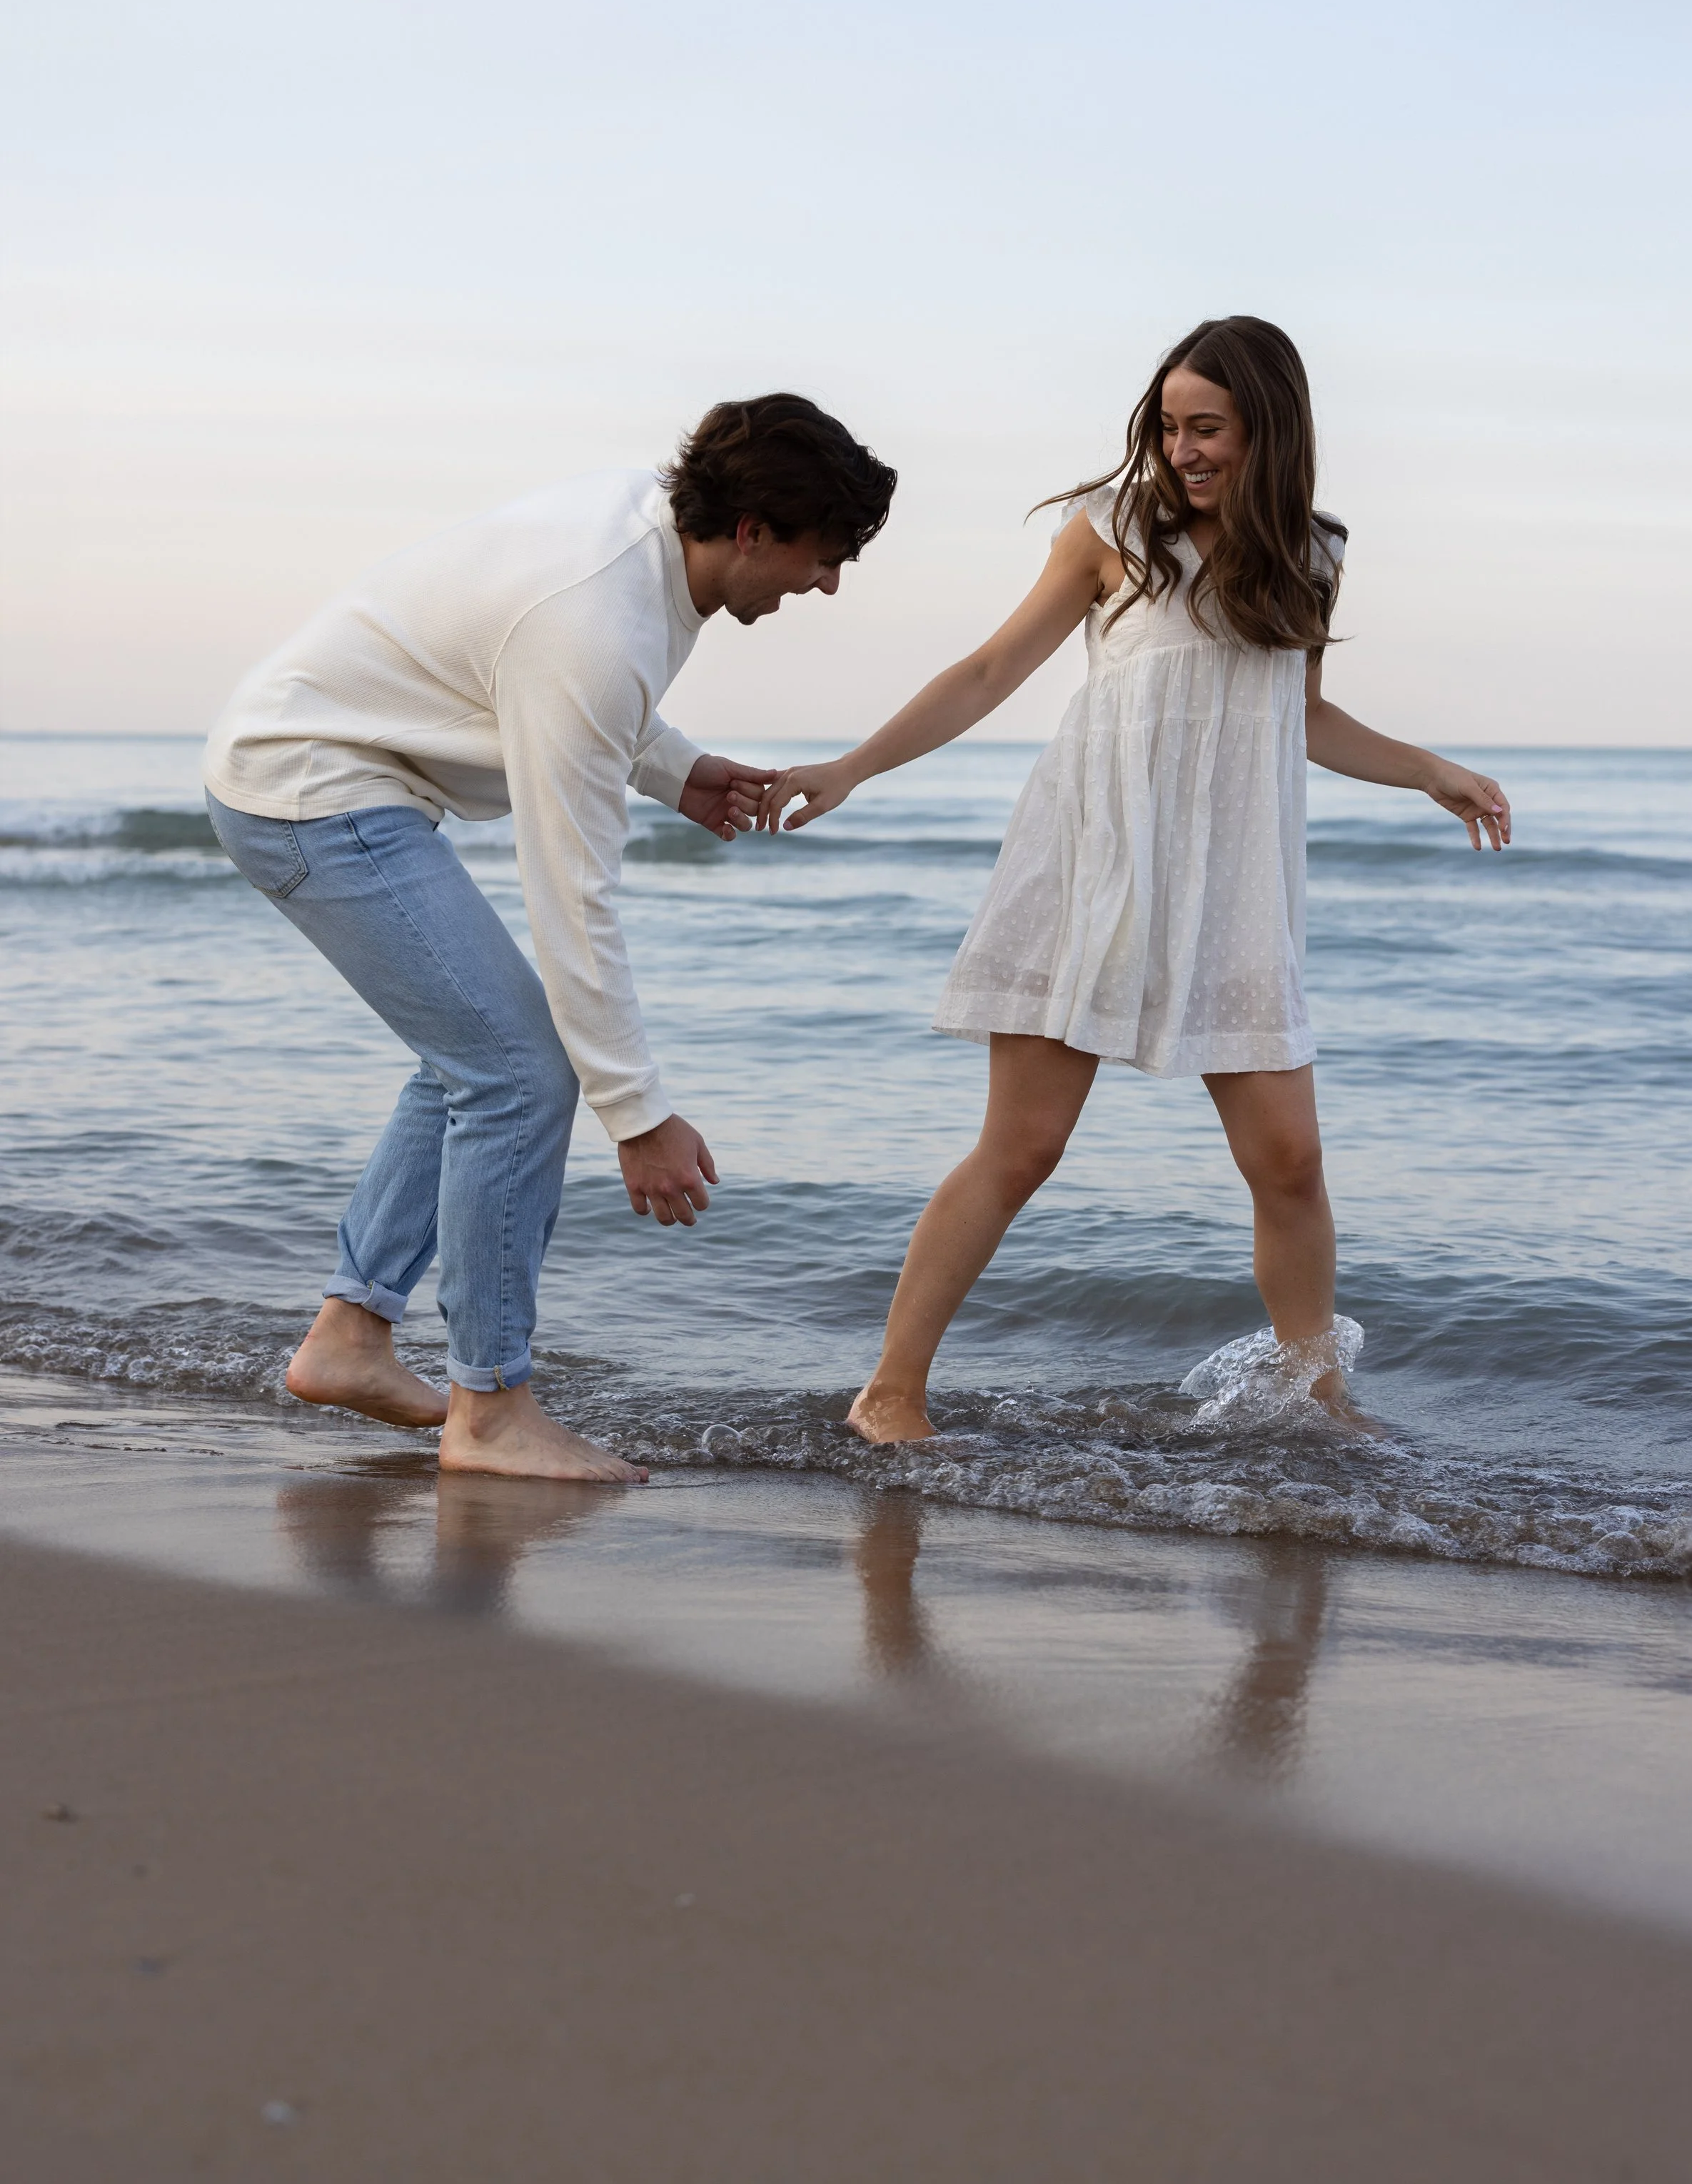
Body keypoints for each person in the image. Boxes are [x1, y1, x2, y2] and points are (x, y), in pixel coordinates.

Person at [764, 318, 1509, 1442]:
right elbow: (986, 670)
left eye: (1206, 427)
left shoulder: (1314, 553)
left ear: (1272, 430)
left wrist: (1430, 773)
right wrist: (854, 767)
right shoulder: (1110, 531)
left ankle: (1318, 1404)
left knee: (1291, 1161)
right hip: (1094, 866)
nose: (1182, 449)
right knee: (1023, 1147)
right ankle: (891, 1394)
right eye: (1167, 426)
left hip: (1234, 887)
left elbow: (1298, 715)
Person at [206, 395, 895, 1480]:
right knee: (523, 1072)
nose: (828, 583)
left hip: (326, 775)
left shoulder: (643, 542)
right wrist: (639, 1113)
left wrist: (676, 768)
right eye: (826, 555)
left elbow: (561, 690)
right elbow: (575, 898)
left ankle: (349, 1340)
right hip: (310, 792)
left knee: (480, 1056)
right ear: (755, 528)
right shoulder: (599, 617)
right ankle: (490, 1411)